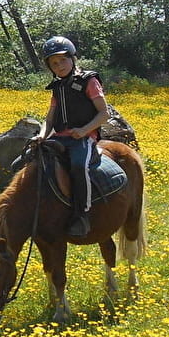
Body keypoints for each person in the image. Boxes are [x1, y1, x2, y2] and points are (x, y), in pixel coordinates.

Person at [38, 35, 109, 238]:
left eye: (63, 60)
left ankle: (82, 215)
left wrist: (85, 130)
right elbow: (50, 120)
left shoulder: (89, 81)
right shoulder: (57, 88)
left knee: (78, 166)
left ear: (72, 58)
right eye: (54, 63)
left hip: (83, 138)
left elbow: (104, 114)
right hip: (60, 138)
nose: (59, 66)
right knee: (25, 162)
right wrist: (42, 135)